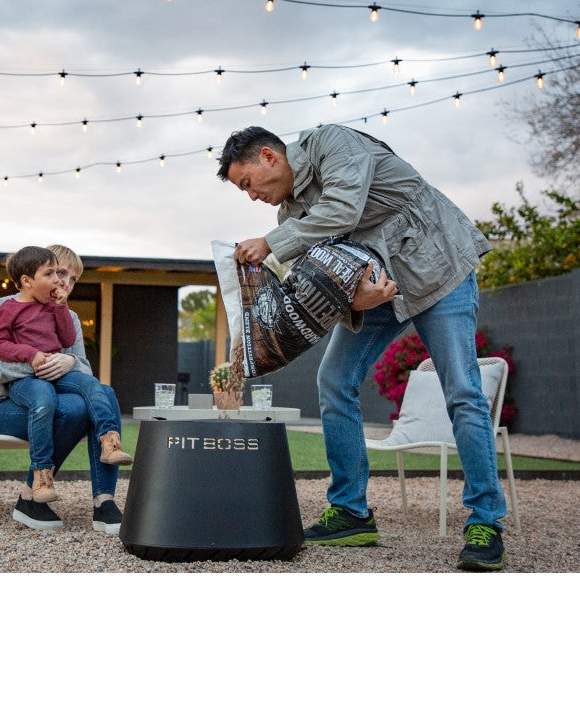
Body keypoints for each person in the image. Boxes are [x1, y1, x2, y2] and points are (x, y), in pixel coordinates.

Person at [217, 124, 509, 571]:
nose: (252, 196)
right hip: (377, 293)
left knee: (463, 393)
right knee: (334, 380)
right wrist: (356, 301)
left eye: (247, 184)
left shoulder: (333, 144)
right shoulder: (290, 217)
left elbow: (343, 209)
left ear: (269, 158)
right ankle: (351, 512)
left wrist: (271, 245)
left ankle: (485, 521)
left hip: (437, 269)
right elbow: (319, 291)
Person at [0, 244, 127, 535]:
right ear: (39, 275)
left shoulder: (66, 315)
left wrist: (69, 360)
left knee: (104, 393)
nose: (64, 284)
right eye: (60, 274)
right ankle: (30, 496)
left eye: (73, 280)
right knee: (73, 408)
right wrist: (34, 364)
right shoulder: (3, 306)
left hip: (53, 400)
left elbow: (83, 370)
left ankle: (104, 500)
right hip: (5, 407)